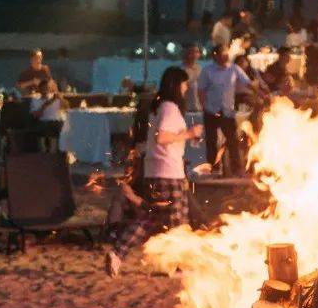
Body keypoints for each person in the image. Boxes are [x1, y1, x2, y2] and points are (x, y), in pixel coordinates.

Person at [107, 66, 190, 274]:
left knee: (148, 218)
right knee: (178, 221)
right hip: (168, 174)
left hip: (155, 171)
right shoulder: (170, 107)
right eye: (184, 83)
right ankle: (178, 266)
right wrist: (190, 134)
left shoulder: (159, 107)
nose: (186, 88)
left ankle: (117, 253)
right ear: (176, 84)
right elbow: (162, 137)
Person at [197, 42, 254, 174]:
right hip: (211, 110)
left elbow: (248, 83)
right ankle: (213, 168)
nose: (225, 56)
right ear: (215, 55)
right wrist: (203, 106)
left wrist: (260, 92)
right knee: (211, 141)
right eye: (222, 53)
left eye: (226, 53)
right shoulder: (207, 70)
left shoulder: (234, 69)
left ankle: (237, 169)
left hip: (227, 111)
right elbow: (201, 90)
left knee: (233, 141)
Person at [180, 42, 202, 116]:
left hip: (199, 108)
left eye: (196, 52)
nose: (194, 54)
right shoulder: (182, 70)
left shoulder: (199, 69)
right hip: (187, 109)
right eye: (192, 52)